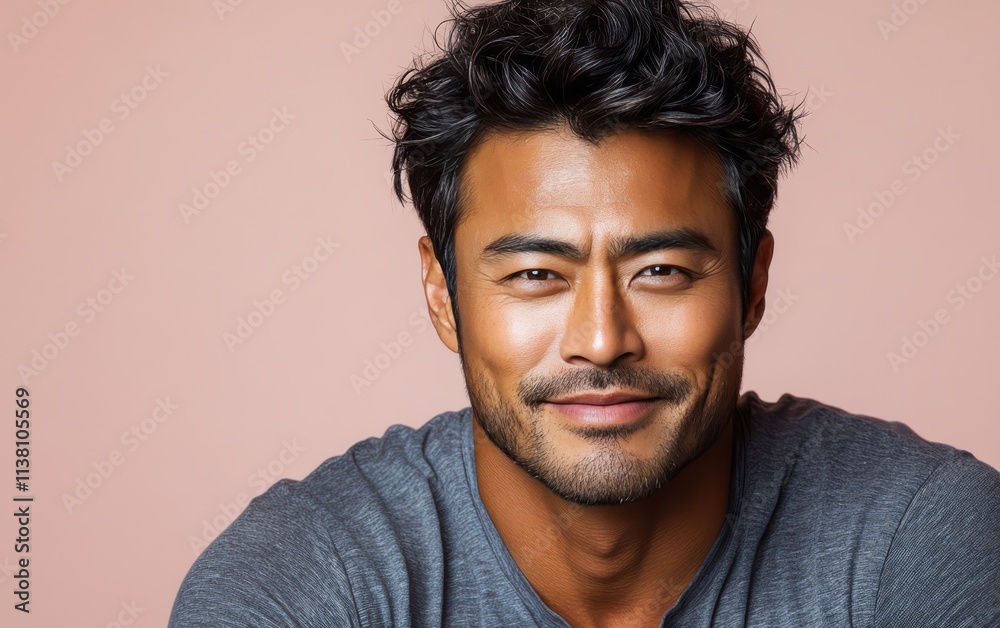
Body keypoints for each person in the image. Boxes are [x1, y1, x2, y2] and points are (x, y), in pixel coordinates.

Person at [168, 0, 1000, 625]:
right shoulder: (308, 581)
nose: (602, 340)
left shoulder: (919, 541)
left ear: (752, 287)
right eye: (536, 274)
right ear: (442, 296)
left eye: (662, 271)